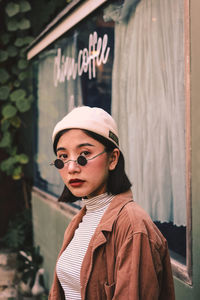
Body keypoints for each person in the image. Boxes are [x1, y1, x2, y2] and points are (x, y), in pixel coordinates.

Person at [48, 106, 175, 300]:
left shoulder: (133, 226)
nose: (71, 168)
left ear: (113, 158)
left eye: (84, 154)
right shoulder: (79, 221)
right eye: (63, 156)